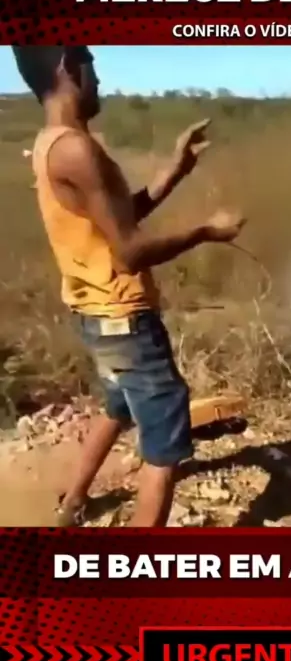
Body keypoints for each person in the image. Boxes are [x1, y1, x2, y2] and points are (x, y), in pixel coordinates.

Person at [12, 45, 246, 527]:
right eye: (90, 62)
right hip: (125, 318)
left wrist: (174, 171)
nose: (98, 75)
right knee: (164, 441)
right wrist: (207, 231)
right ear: (67, 66)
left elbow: (118, 220)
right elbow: (131, 252)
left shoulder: (52, 143)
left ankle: (72, 503)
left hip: (94, 314)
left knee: (118, 403)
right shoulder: (77, 150)